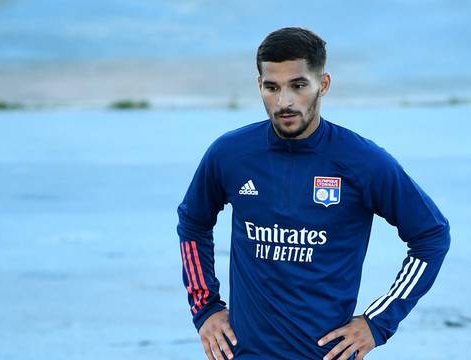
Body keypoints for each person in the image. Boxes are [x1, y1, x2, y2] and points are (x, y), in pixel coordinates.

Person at [177, 27, 450, 360]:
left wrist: (378, 323)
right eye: (272, 87)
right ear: (259, 85)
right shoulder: (230, 154)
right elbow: (193, 223)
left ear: (324, 84)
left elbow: (431, 235)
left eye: (298, 85)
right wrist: (205, 308)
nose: (284, 102)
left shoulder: (363, 162)